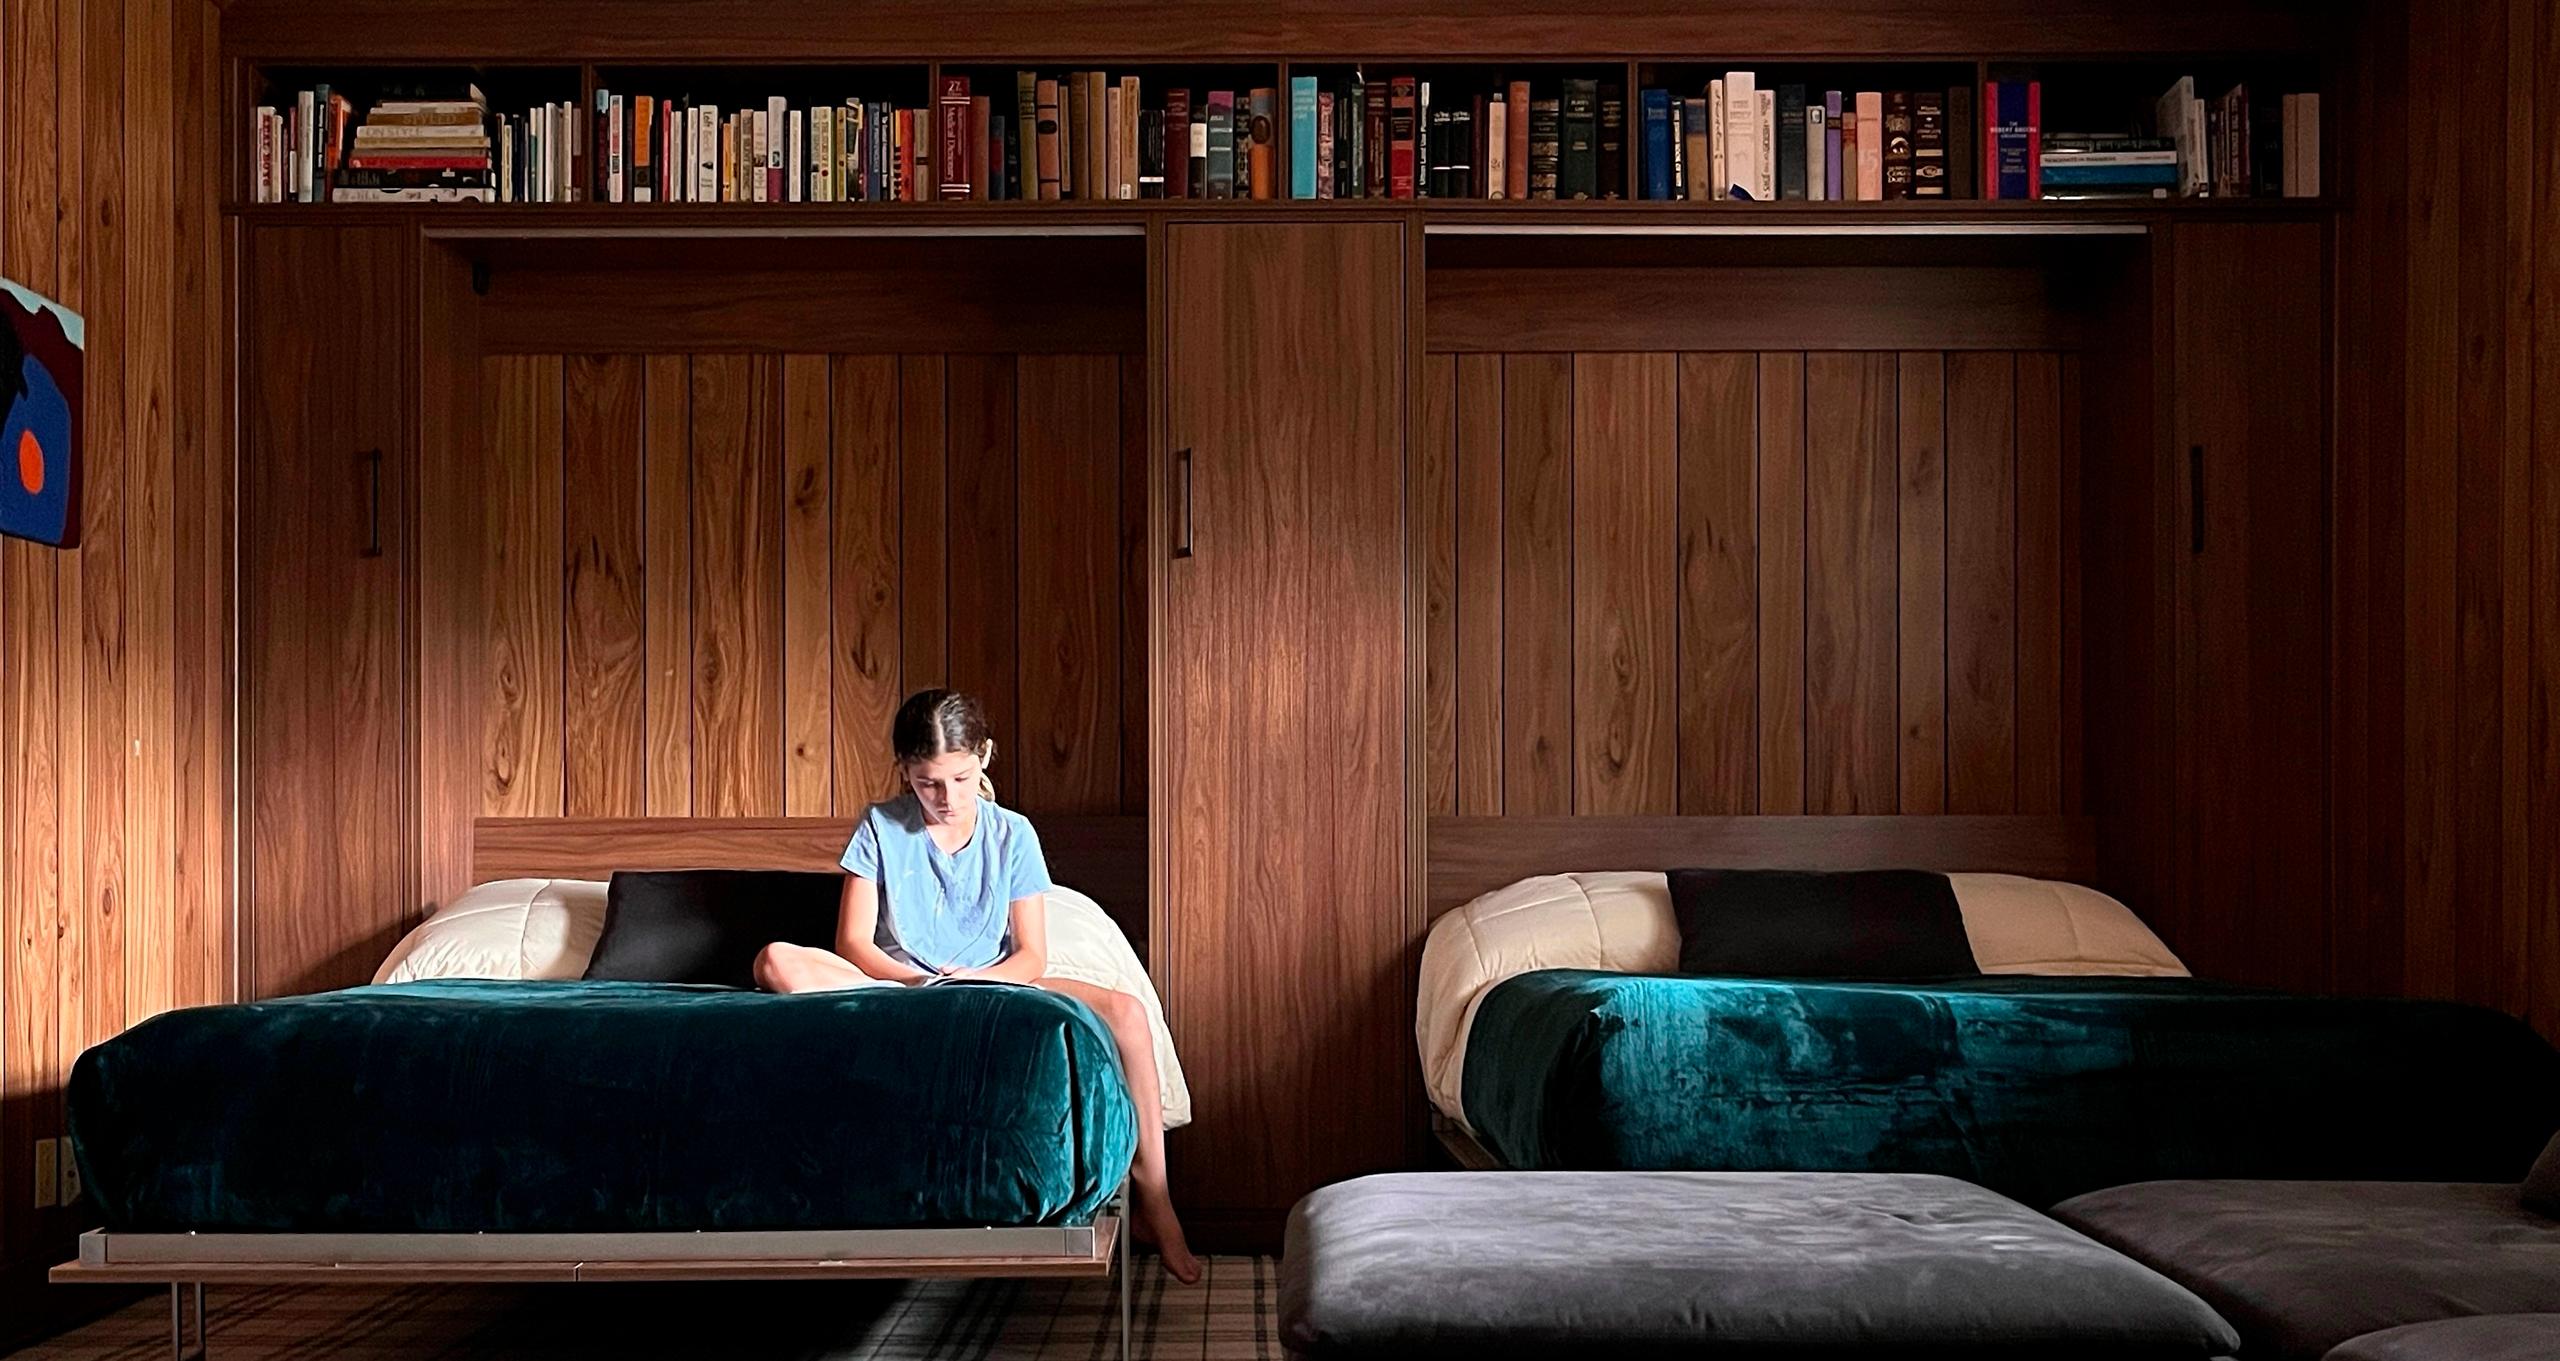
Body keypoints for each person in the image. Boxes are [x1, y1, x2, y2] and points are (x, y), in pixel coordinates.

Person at [752, 688, 1200, 1284]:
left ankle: (1156, 1195)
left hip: (996, 982)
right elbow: (854, 945)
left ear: (984, 757)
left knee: (1127, 1014)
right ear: (905, 772)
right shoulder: (880, 827)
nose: (947, 799)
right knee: (775, 961)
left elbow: (1032, 954)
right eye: (929, 783)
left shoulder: (1013, 834)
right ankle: (926, 1001)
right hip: (902, 987)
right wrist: (919, 980)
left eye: (961, 780)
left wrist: (979, 981)